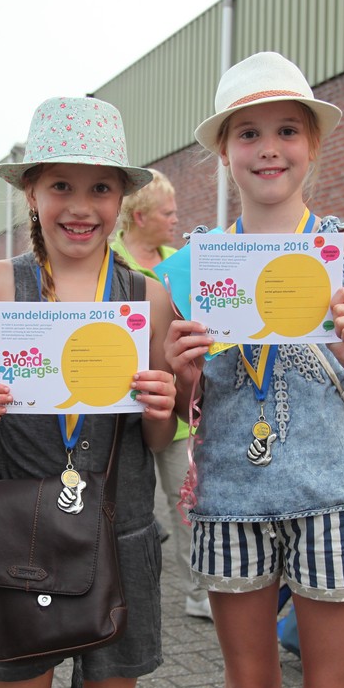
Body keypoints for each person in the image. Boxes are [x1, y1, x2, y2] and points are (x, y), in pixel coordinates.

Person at [168, 52, 344, 688]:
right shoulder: (193, 266)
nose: (269, 148)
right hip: (232, 503)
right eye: (249, 133)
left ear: (313, 144)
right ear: (224, 152)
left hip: (332, 498)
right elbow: (180, 415)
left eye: (287, 130)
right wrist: (182, 373)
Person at [0, 96, 177, 688]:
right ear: (32, 194)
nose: (80, 206)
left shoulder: (148, 298)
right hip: (25, 534)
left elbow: (158, 441)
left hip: (121, 532)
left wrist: (162, 407)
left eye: (100, 188)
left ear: (122, 200)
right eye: (61, 186)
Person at [110, 169, 211, 621]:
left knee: (187, 503)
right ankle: (111, 593)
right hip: (115, 409)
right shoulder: (104, 260)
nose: (175, 220)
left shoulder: (183, 263)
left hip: (175, 409)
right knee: (120, 505)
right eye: (168, 213)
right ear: (140, 216)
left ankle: (200, 592)